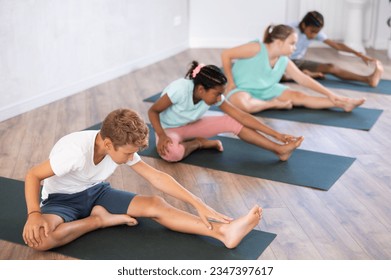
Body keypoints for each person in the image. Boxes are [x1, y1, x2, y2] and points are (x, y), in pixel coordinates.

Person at [22, 108, 263, 251]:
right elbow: (33, 175)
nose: (131, 156)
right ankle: (98, 221)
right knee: (40, 240)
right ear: (107, 143)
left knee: (156, 204)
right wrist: (34, 214)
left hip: (96, 192)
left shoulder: (117, 145)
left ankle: (224, 232)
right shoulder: (74, 153)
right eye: (127, 152)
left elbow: (156, 177)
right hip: (61, 201)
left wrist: (197, 202)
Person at [148, 61, 304, 163]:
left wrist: (277, 135)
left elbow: (241, 116)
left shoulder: (213, 95)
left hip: (191, 126)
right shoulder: (180, 89)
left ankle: (279, 150)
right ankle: (199, 143)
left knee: (233, 121)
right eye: (217, 94)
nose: (219, 98)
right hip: (168, 130)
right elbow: (153, 111)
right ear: (201, 89)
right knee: (172, 153)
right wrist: (161, 135)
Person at [221, 24, 366, 114]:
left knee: (300, 97)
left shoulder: (284, 60)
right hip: (241, 89)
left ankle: (344, 103)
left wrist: (330, 94)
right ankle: (273, 104)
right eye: (292, 44)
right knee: (243, 106)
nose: (294, 48)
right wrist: (231, 82)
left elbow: (303, 79)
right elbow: (226, 54)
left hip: (267, 90)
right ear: (278, 42)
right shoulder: (256, 48)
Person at [288, 11, 383, 86]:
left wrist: (360, 54)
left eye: (317, 32)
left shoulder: (313, 30)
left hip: (299, 62)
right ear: (304, 25)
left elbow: (337, 45)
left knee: (331, 67)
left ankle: (369, 79)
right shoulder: (290, 29)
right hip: (285, 62)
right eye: (312, 31)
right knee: (281, 75)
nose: (314, 35)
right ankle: (302, 74)